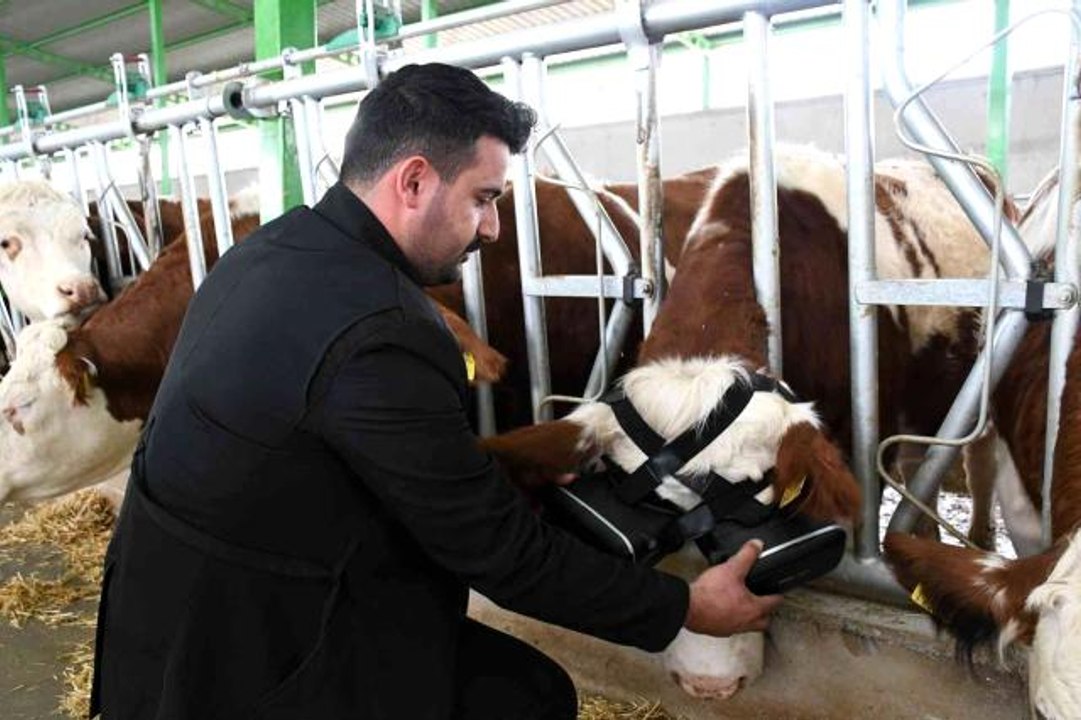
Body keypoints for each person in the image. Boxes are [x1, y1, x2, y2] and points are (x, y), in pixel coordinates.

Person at [90, 62, 781, 720]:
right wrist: (682, 608)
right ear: (414, 180)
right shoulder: (382, 329)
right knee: (528, 697)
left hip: (168, 620)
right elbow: (499, 556)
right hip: (253, 658)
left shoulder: (269, 252)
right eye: (483, 198)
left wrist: (498, 469)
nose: (492, 227)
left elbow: (325, 450)